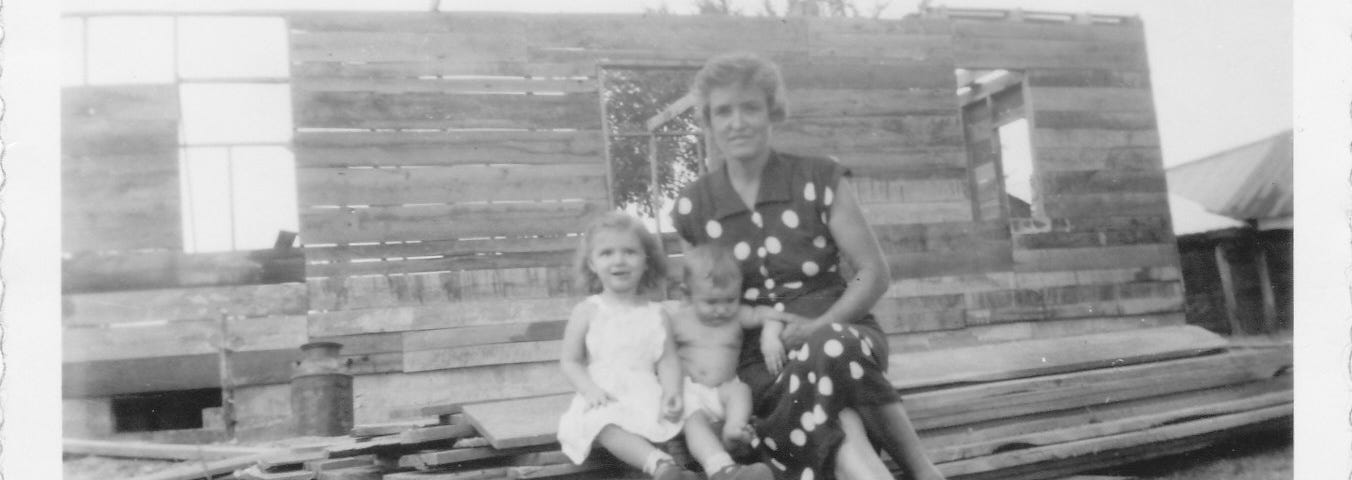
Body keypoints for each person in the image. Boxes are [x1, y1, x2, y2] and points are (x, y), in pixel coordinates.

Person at [671, 52, 946, 480]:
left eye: (749, 107)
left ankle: (920, 468)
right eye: (723, 111)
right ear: (709, 121)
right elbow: (701, 299)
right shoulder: (695, 205)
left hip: (846, 335)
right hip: (763, 360)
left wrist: (823, 324)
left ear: (771, 113)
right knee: (841, 420)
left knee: (830, 346)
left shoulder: (819, 178)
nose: (736, 122)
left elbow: (874, 272)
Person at [556, 212, 699, 480]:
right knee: (602, 421)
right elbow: (570, 361)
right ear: (592, 263)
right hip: (606, 393)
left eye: (630, 252)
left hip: (647, 389)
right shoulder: (587, 311)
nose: (619, 260)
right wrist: (589, 390)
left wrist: (671, 391)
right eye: (607, 253)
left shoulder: (657, 313)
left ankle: (720, 466)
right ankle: (659, 464)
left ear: (646, 260)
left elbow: (668, 360)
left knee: (691, 406)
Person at [664, 244, 796, 480]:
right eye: (711, 302)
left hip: (723, 391)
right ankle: (720, 468)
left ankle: (733, 429)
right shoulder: (677, 319)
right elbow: (658, 350)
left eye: (730, 299)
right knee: (692, 419)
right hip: (690, 391)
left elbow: (769, 315)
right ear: (687, 294)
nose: (722, 309)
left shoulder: (736, 316)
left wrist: (771, 335)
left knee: (741, 390)